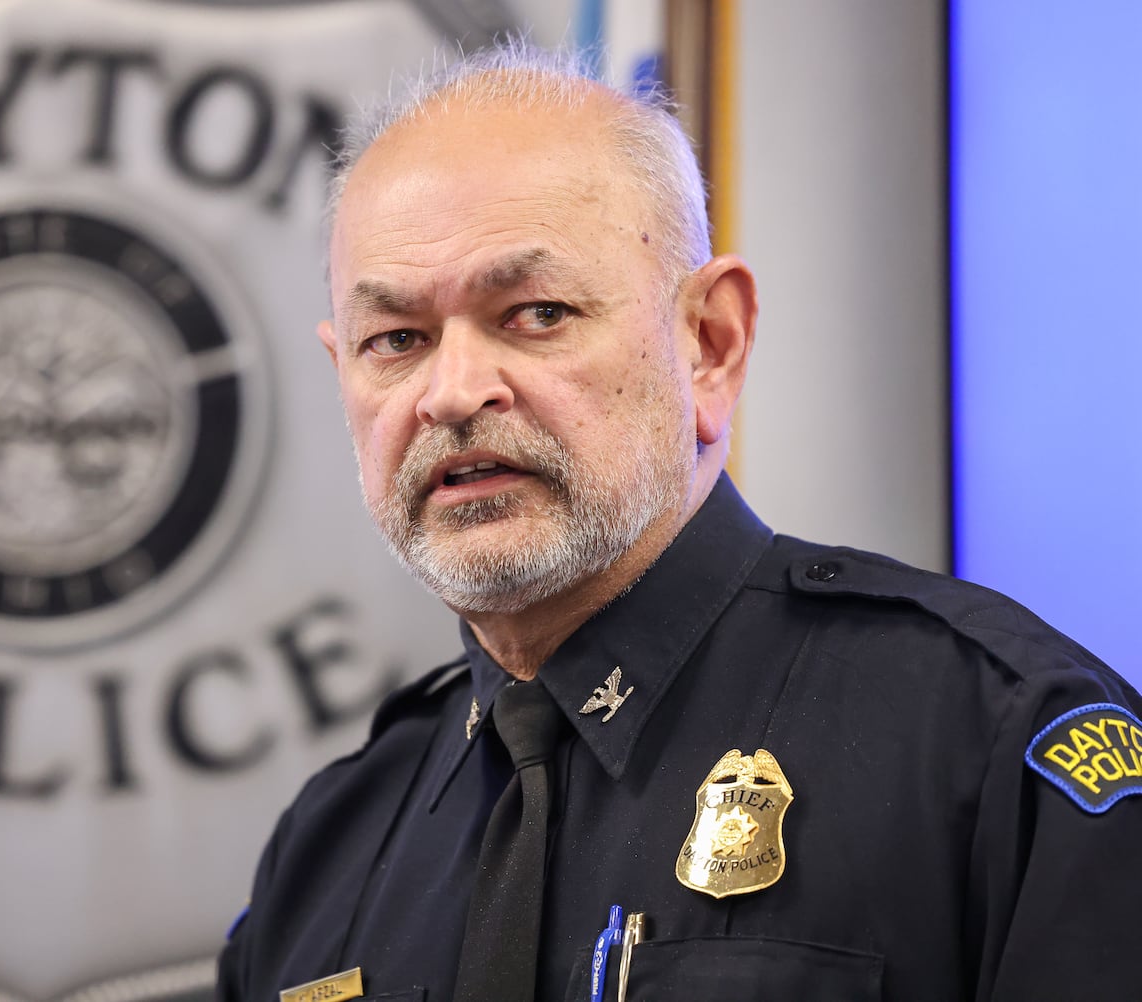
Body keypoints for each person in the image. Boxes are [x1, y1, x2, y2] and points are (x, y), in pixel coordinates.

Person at [216, 43, 1142, 1002]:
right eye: (395, 340)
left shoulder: (988, 744)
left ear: (709, 344)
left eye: (535, 313)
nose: (451, 392)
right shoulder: (328, 851)